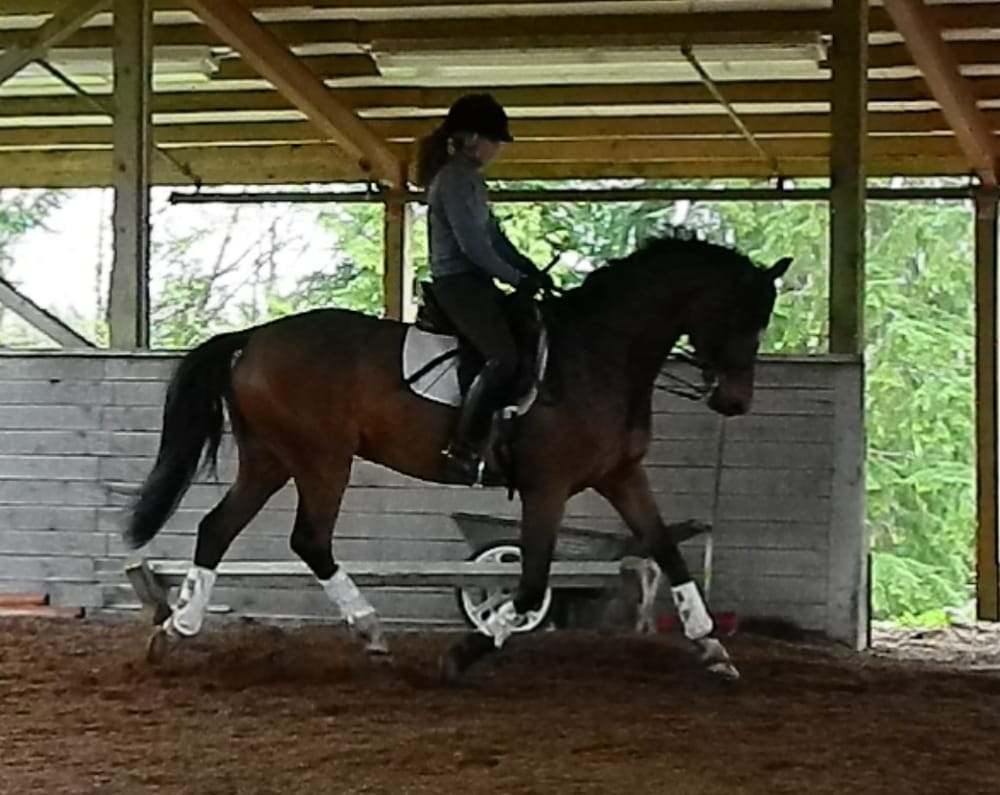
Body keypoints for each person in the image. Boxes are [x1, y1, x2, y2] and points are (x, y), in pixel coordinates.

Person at [415, 93, 553, 482]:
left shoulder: (469, 180)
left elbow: (493, 236)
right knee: (503, 357)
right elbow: (473, 247)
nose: (496, 149)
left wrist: (529, 269)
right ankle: (465, 446)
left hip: (476, 280)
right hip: (459, 283)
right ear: (475, 137)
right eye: (494, 140)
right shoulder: (455, 179)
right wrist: (517, 279)